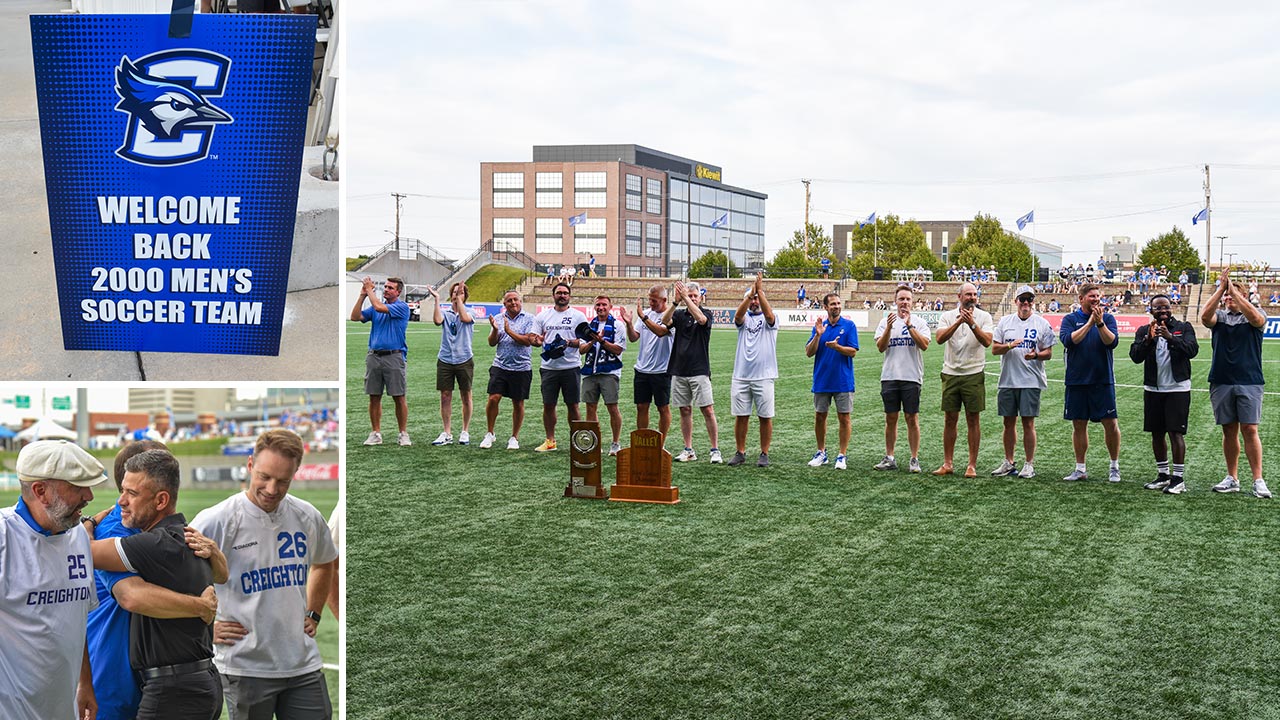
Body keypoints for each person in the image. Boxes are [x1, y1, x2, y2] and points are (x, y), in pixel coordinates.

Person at [191, 430, 339, 719]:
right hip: (245, 667)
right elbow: (176, 581)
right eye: (264, 476)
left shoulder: (307, 516)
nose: (272, 489)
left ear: (296, 473)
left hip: (302, 663)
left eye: (283, 480)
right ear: (249, 465)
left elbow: (324, 562)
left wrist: (315, 613)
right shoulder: (216, 521)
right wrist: (204, 631)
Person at [87, 440, 220, 720]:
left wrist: (215, 553)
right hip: (115, 674)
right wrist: (199, 608)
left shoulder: (164, 533)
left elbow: (219, 572)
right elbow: (131, 595)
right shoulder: (116, 527)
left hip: (155, 676)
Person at [0, 440, 105, 720]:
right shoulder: (4, 537)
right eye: (77, 486)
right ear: (40, 491)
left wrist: (85, 682)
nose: (89, 496)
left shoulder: (78, 535)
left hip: (64, 709)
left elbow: (76, 619)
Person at [1201, 270, 1270, 498]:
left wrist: (1236, 294)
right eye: (1227, 297)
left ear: (1244, 297)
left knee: (1250, 429)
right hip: (1221, 380)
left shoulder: (1255, 314)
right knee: (1228, 430)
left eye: (1233, 295)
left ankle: (1258, 480)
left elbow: (1256, 319)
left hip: (1249, 380)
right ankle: (1232, 477)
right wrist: (1221, 288)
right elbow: (1204, 318)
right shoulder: (1220, 317)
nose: (1228, 299)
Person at [1130, 294, 1199, 494]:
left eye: (1166, 307)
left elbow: (1192, 350)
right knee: (1156, 433)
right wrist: (1148, 340)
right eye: (1158, 308)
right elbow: (1135, 356)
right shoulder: (1144, 330)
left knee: (1175, 433)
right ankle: (1163, 475)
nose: (1163, 311)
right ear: (1151, 310)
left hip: (1178, 388)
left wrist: (1170, 337)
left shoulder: (1183, 327)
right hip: (1153, 389)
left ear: (1172, 308)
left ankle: (1178, 479)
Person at [990, 285, 1056, 479]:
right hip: (1008, 380)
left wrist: (1035, 355)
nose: (1026, 303)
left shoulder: (1041, 323)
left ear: (1033, 302)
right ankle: (1009, 462)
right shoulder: (1005, 322)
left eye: (1029, 300)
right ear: (1015, 301)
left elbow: (1049, 353)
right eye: (1022, 299)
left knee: (1028, 423)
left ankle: (1029, 464)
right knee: (1008, 423)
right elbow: (994, 349)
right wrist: (1010, 345)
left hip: (1031, 381)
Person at [1059, 283, 1122, 482]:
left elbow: (1111, 342)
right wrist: (1090, 324)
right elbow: (1070, 341)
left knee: (1110, 423)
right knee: (1078, 424)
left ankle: (1114, 466)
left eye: (1098, 296)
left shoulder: (1109, 318)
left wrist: (1100, 323)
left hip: (1102, 380)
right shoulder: (1070, 319)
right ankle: (1080, 468)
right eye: (1092, 296)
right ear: (1081, 299)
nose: (1096, 299)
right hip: (1077, 381)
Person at [933, 282, 993, 477]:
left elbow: (986, 341)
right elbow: (940, 339)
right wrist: (959, 322)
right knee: (950, 419)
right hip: (951, 373)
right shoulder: (947, 316)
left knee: (973, 419)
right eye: (968, 294)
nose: (972, 298)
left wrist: (972, 324)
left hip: (973, 373)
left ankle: (971, 465)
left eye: (975, 295)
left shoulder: (984, 317)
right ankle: (948, 463)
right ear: (959, 296)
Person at [662, 280, 721, 463]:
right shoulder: (679, 315)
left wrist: (686, 299)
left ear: (700, 297)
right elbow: (665, 321)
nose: (693, 298)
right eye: (690, 295)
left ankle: (715, 449)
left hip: (699, 370)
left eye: (695, 296)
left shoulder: (706, 313)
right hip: (679, 370)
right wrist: (675, 302)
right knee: (684, 410)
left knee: (707, 410)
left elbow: (701, 320)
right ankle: (688, 449)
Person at [873, 285, 930, 473]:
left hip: (911, 377)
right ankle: (890, 457)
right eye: (901, 299)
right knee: (891, 418)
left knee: (912, 418)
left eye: (907, 299)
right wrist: (889, 327)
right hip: (889, 376)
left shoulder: (919, 322)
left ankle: (914, 458)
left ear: (912, 302)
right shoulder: (885, 322)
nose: (904, 302)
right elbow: (881, 347)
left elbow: (924, 345)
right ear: (895, 301)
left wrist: (909, 325)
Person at [351, 276, 411, 446]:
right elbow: (355, 317)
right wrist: (362, 295)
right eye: (385, 287)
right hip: (374, 356)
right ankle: (376, 433)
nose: (386, 289)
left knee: (399, 397)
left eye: (390, 288)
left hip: (394, 356)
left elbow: (378, 305)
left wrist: (370, 290)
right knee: (374, 396)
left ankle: (403, 433)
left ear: (398, 292)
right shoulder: (375, 307)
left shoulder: (401, 307)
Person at [531, 282, 588, 452]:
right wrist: (537, 341)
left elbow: (585, 341)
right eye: (559, 293)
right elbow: (534, 338)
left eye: (565, 293)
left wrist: (568, 343)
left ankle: (577, 441)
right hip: (549, 367)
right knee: (549, 405)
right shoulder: (543, 316)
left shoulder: (578, 316)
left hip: (571, 367)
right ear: (553, 295)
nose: (562, 295)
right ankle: (550, 441)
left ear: (569, 296)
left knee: (573, 405)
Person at [728, 274, 778, 467]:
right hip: (741, 375)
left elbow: (770, 317)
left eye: (757, 298)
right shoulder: (744, 318)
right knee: (741, 416)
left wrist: (760, 291)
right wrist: (750, 294)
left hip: (764, 376)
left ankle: (764, 453)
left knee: (765, 416)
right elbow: (738, 317)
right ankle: (740, 451)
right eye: (752, 298)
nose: (755, 301)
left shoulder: (771, 319)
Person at [806, 292, 859, 470]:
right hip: (822, 379)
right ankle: (821, 452)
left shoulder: (849, 325)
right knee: (820, 416)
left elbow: (852, 351)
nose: (836, 306)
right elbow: (809, 352)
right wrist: (818, 335)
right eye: (833, 304)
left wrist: (837, 347)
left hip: (843, 380)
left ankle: (842, 455)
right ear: (825, 307)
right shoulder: (820, 327)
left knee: (844, 417)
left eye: (838, 303)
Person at [480, 290, 537, 450]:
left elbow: (527, 341)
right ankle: (490, 433)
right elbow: (492, 343)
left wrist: (509, 331)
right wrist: (495, 330)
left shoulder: (530, 319)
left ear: (521, 301)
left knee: (518, 403)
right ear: (504, 304)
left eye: (516, 300)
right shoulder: (498, 319)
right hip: (500, 365)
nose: (513, 303)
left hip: (521, 367)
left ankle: (514, 437)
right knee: (493, 398)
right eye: (509, 301)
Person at [580, 295, 628, 456]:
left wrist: (601, 341)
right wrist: (593, 340)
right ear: (594, 307)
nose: (601, 307)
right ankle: (594, 443)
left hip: (610, 372)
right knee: (590, 407)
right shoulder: (588, 327)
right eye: (598, 305)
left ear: (610, 306)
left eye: (604, 305)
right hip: (589, 371)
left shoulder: (617, 325)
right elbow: (581, 349)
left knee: (612, 407)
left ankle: (615, 443)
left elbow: (618, 349)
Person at [626, 284, 675, 441]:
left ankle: (661, 442)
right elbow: (634, 337)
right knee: (641, 407)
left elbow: (661, 332)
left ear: (664, 300)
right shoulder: (646, 314)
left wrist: (643, 317)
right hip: (641, 370)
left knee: (662, 407)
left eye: (654, 301)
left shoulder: (670, 317)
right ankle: (642, 441)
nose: (651, 304)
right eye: (649, 300)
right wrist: (629, 324)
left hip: (662, 371)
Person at [430, 282, 475, 446]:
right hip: (446, 359)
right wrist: (436, 299)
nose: (457, 295)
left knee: (466, 395)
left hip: (464, 358)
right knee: (445, 396)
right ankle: (447, 432)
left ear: (465, 296)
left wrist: (460, 302)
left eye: (460, 293)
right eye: (455, 293)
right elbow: (436, 320)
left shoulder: (470, 311)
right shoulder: (446, 313)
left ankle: (465, 431)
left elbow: (464, 318)